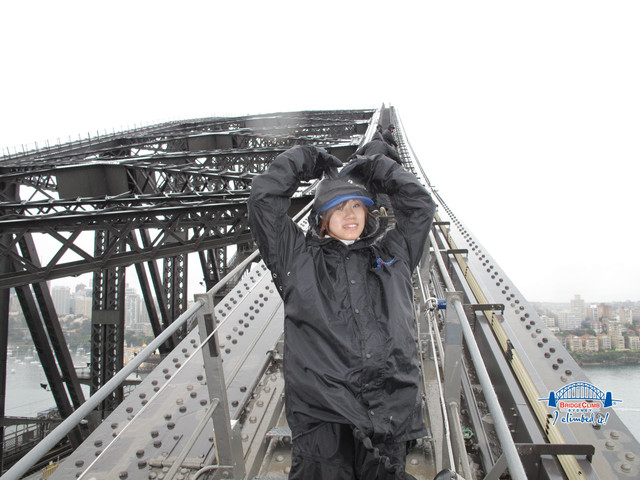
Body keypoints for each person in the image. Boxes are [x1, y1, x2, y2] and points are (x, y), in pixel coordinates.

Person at [248, 145, 435, 479]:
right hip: (324, 416)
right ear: (322, 218)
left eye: (357, 205)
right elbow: (263, 200)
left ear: (368, 212)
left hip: (389, 410)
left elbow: (420, 205)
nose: (350, 215)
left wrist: (377, 167)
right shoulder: (297, 259)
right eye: (338, 207)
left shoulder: (395, 254)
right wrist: (307, 159)